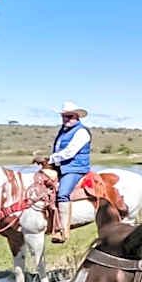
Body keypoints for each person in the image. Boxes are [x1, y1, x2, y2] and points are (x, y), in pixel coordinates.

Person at [46, 101, 91, 244]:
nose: (66, 119)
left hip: (75, 168)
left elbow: (70, 152)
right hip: (62, 166)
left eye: (70, 116)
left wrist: (51, 158)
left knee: (63, 194)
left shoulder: (82, 132)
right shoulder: (63, 131)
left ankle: (63, 231)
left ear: (77, 116)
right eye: (64, 116)